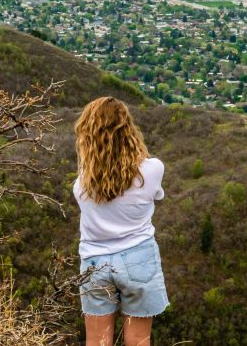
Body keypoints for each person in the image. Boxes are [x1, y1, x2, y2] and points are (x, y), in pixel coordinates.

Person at [73, 96, 169, 346]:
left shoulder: (81, 185)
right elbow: (151, 190)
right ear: (128, 129)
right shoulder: (152, 170)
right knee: (138, 339)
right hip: (139, 258)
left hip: (94, 262)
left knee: (97, 341)